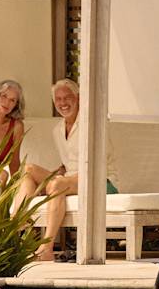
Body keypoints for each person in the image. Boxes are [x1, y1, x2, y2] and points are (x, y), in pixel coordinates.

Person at [17, 78, 116, 264]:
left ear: (78, 98)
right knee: (28, 170)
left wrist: (61, 180)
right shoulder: (57, 130)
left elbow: (98, 163)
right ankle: (18, 229)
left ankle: (46, 247)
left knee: (57, 184)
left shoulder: (92, 124)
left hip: (99, 180)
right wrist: (58, 173)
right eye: (58, 99)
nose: (63, 103)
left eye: (67, 98)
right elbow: (68, 163)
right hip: (71, 180)